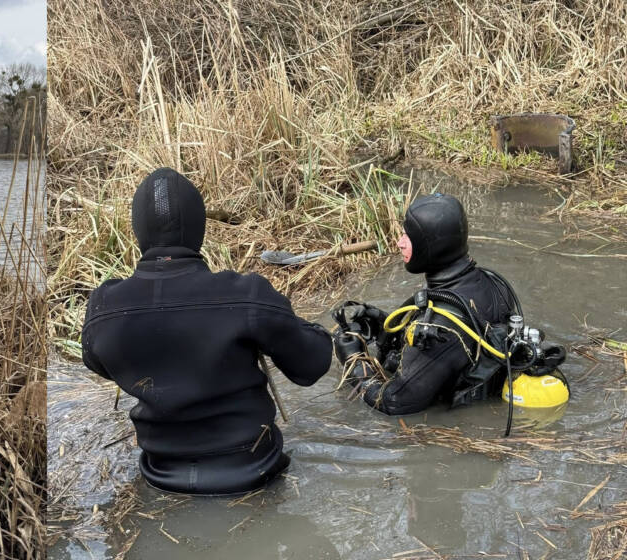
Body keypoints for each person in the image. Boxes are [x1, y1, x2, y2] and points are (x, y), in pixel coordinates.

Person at [81, 167, 333, 495]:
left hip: (161, 477)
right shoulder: (246, 294)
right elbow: (312, 366)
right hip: (254, 472)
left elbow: (97, 362)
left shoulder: (103, 305)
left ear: (138, 230)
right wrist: (301, 326)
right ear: (199, 227)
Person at [332, 193, 565, 417]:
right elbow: (461, 341)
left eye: (407, 236)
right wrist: (386, 326)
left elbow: (395, 403)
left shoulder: (441, 327)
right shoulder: (494, 283)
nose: (399, 243)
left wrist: (354, 361)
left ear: (430, 245)